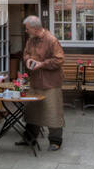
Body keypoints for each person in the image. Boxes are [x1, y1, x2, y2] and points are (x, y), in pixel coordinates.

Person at [20, 15, 65, 151]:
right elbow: (26, 54)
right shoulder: (30, 40)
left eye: (27, 29)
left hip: (51, 82)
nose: (26, 31)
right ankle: (29, 138)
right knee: (32, 110)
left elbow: (59, 59)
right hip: (35, 81)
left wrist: (42, 64)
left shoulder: (52, 40)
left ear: (34, 28)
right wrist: (27, 60)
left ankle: (55, 141)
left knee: (53, 111)